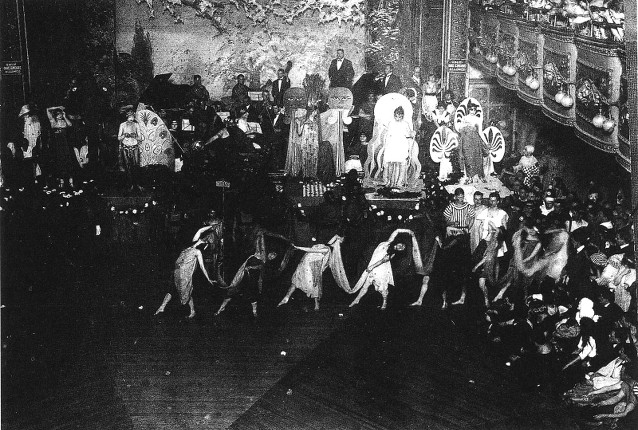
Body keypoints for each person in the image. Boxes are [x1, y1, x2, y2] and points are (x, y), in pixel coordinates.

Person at [349, 229, 423, 310]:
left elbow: (382, 261)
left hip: (380, 269)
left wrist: (371, 267)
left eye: (402, 248)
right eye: (402, 245)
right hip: (373, 266)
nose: (401, 246)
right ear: (399, 242)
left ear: (400, 251)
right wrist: (408, 231)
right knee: (366, 285)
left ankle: (385, 302)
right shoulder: (388, 242)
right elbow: (397, 231)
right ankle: (357, 300)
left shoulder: (392, 254)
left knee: (383, 288)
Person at [277, 236, 351, 311]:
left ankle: (314, 303)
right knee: (298, 281)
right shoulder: (326, 246)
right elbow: (334, 238)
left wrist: (298, 247)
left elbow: (310, 250)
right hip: (306, 264)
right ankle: (286, 297)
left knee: (312, 284)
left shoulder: (326, 249)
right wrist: (339, 237)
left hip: (311, 266)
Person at [154, 239, 215, 319]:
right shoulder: (185, 250)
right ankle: (162, 307)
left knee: (184, 295)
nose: (200, 240)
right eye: (200, 240)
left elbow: (202, 267)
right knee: (173, 289)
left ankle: (192, 311)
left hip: (185, 276)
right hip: (177, 274)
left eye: (202, 241)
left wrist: (208, 279)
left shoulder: (197, 252)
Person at [382, 106, 415, 188]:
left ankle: (399, 182)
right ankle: (389, 181)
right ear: (394, 115)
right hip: (392, 145)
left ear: (402, 116)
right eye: (396, 116)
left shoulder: (405, 124)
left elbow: (408, 135)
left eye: (400, 116)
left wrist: (412, 133)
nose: (398, 118)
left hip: (401, 145)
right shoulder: (391, 123)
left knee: (401, 164)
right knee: (390, 163)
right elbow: (388, 135)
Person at [46, 106, 76, 189]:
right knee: (59, 162)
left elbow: (70, 124)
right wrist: (57, 107)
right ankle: (61, 181)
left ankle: (70, 180)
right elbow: (47, 110)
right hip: (57, 146)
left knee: (68, 161)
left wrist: (65, 116)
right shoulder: (53, 122)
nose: (60, 116)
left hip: (65, 145)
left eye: (60, 114)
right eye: (58, 114)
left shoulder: (64, 122)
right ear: (55, 115)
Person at [117, 107, 144, 191]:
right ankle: (130, 185)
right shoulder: (122, 125)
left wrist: (134, 136)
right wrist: (124, 135)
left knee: (136, 166)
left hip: (134, 147)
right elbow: (118, 137)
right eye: (129, 116)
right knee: (127, 167)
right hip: (125, 147)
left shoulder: (136, 125)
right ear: (126, 116)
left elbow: (141, 138)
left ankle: (137, 184)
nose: (131, 118)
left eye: (132, 115)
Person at [19, 105, 42, 184]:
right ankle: (33, 177)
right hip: (29, 144)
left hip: (33, 143)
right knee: (30, 160)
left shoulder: (34, 121)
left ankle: (36, 177)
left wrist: (32, 144)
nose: (25, 117)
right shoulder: (26, 123)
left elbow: (36, 133)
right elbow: (26, 134)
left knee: (34, 160)